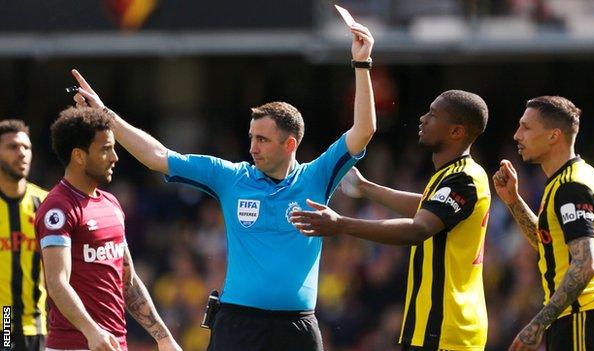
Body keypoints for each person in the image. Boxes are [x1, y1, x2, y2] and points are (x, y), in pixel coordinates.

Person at [69, 21, 376, 351]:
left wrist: (362, 64)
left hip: (297, 326)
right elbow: (158, 156)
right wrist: (106, 116)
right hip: (238, 324)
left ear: (289, 145)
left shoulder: (316, 177)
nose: (253, 147)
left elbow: (364, 130)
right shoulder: (231, 177)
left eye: (262, 139)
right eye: (251, 138)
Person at [290, 90, 490, 351]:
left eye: (433, 114)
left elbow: (418, 229)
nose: (422, 119)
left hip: (447, 328)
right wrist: (366, 188)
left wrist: (340, 224)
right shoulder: (453, 175)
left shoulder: (463, 178)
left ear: (456, 132)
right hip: (435, 327)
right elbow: (425, 206)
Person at [34, 107, 181, 351]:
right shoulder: (58, 208)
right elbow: (57, 282)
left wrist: (162, 337)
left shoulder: (111, 203)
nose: (115, 157)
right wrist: (92, 331)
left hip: (115, 344)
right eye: (105, 149)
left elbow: (128, 280)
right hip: (74, 345)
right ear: (79, 156)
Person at [492, 96, 594, 350]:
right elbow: (548, 244)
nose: (517, 135)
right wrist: (514, 201)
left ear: (554, 136)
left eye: (526, 127)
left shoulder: (571, 186)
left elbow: (585, 264)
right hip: (589, 317)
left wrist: (538, 324)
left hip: (581, 317)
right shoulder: (579, 176)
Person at [0, 120, 48, 351]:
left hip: (41, 324)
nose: (22, 154)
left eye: (26, 148)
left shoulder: (47, 205)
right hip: (5, 322)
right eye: (12, 147)